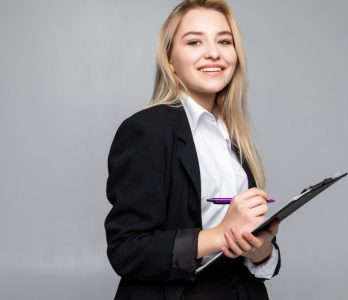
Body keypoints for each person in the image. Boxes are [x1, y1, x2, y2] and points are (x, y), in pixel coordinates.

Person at [104, 1, 281, 299]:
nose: (213, 52)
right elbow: (126, 250)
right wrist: (220, 234)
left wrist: (259, 246)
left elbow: (256, 257)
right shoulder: (145, 131)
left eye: (224, 41)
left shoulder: (233, 135)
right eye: (195, 41)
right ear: (170, 58)